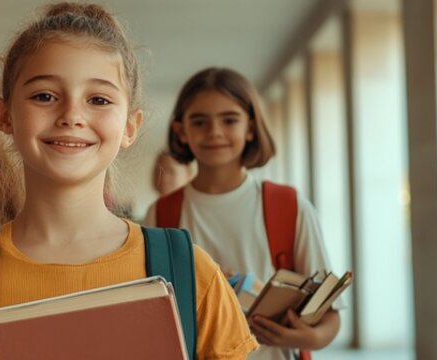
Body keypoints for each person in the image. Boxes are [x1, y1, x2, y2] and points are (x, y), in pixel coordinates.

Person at [0, 4, 258, 360]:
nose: (71, 115)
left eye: (98, 99)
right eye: (44, 96)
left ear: (130, 126)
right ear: (4, 115)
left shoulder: (192, 272)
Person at [145, 67, 342, 360]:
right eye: (199, 121)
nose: (214, 132)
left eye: (229, 120)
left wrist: (307, 337)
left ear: (250, 127)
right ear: (181, 131)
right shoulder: (161, 215)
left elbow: (329, 316)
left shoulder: (289, 206)